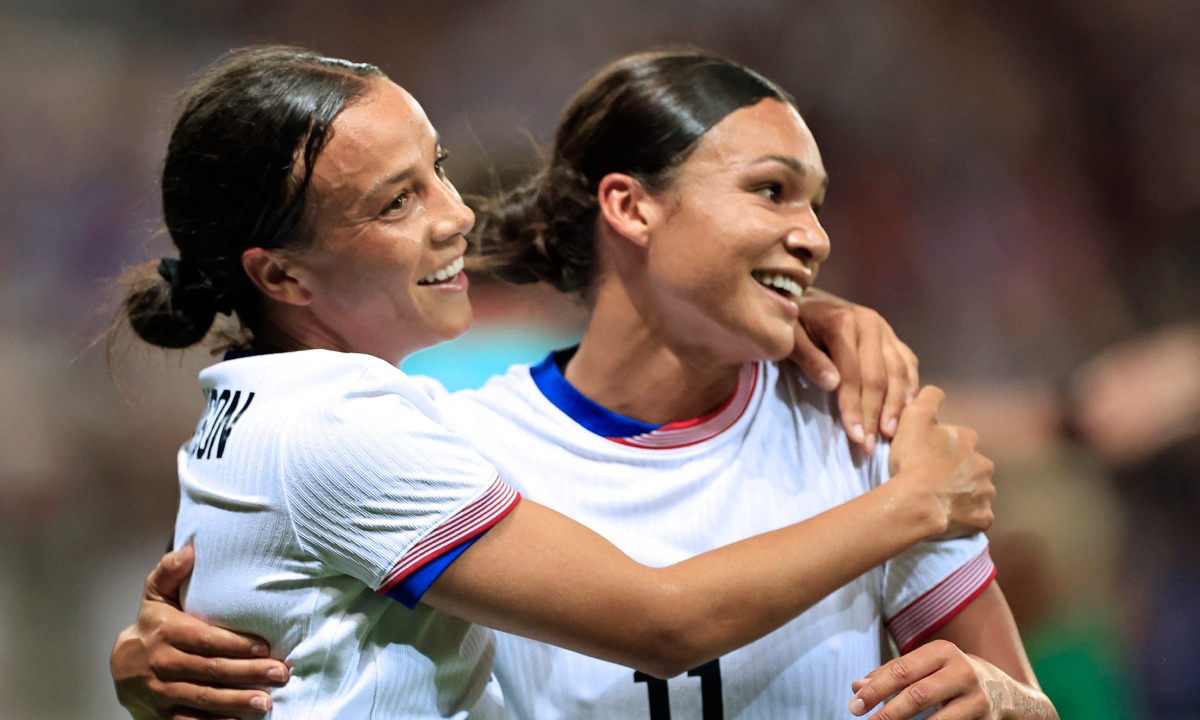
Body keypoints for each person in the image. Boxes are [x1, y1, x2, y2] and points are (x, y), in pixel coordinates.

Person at [108, 45, 1001, 719]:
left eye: (438, 171)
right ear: (629, 206)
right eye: (770, 191)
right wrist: (914, 505)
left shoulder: (860, 431)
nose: (459, 213)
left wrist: (1014, 702)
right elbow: (664, 623)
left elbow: (1012, 693)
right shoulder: (424, 437)